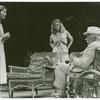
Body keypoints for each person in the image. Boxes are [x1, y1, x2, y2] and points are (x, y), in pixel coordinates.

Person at [52, 26, 100, 97]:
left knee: (59, 66)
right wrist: (82, 53)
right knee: (63, 65)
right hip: (92, 69)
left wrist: (73, 58)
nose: (86, 38)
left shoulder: (92, 46)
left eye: (88, 35)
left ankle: (60, 93)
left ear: (95, 37)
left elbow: (84, 64)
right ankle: (64, 91)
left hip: (84, 71)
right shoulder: (97, 44)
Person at [0, 5, 11, 84]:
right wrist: (4, 36)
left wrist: (5, 38)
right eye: (4, 12)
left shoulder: (0, 25)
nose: (5, 14)